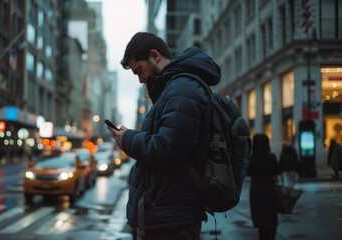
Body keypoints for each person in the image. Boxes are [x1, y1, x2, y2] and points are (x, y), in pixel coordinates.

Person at [107, 32, 221, 240]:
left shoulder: (183, 90)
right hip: (167, 215)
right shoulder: (174, 89)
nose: (141, 79)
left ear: (155, 56)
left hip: (173, 220)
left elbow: (169, 148)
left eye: (139, 71)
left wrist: (128, 139)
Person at [247, 134, 280, 240]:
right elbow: (277, 171)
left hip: (256, 192)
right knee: (270, 222)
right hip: (270, 192)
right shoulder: (271, 157)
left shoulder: (252, 159)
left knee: (261, 224)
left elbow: (248, 173)